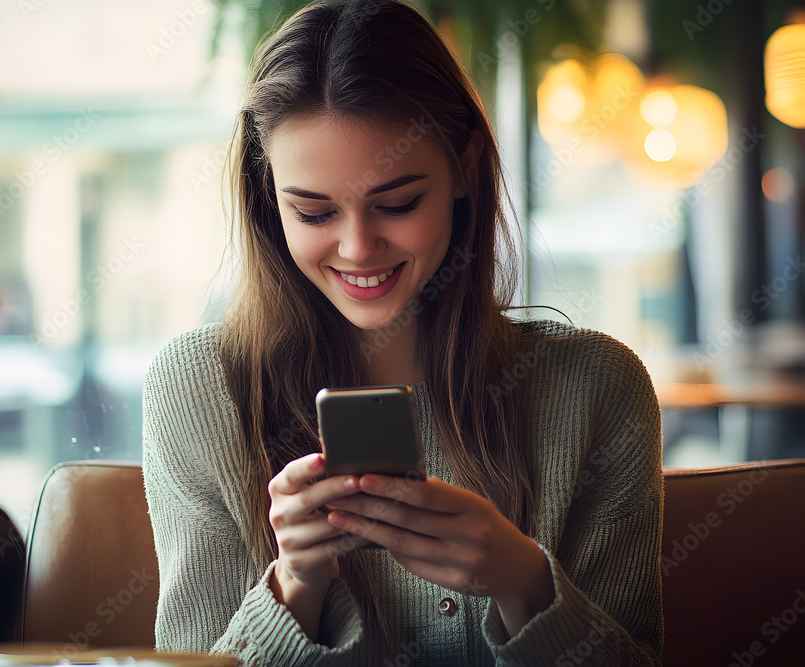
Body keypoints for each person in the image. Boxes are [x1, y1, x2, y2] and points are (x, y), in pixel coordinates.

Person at [141, 0, 664, 664]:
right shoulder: (199, 388)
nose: (358, 247)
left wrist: (523, 581)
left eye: (397, 203)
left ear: (466, 168)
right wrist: (295, 587)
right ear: (268, 195)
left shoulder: (597, 389)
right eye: (314, 210)